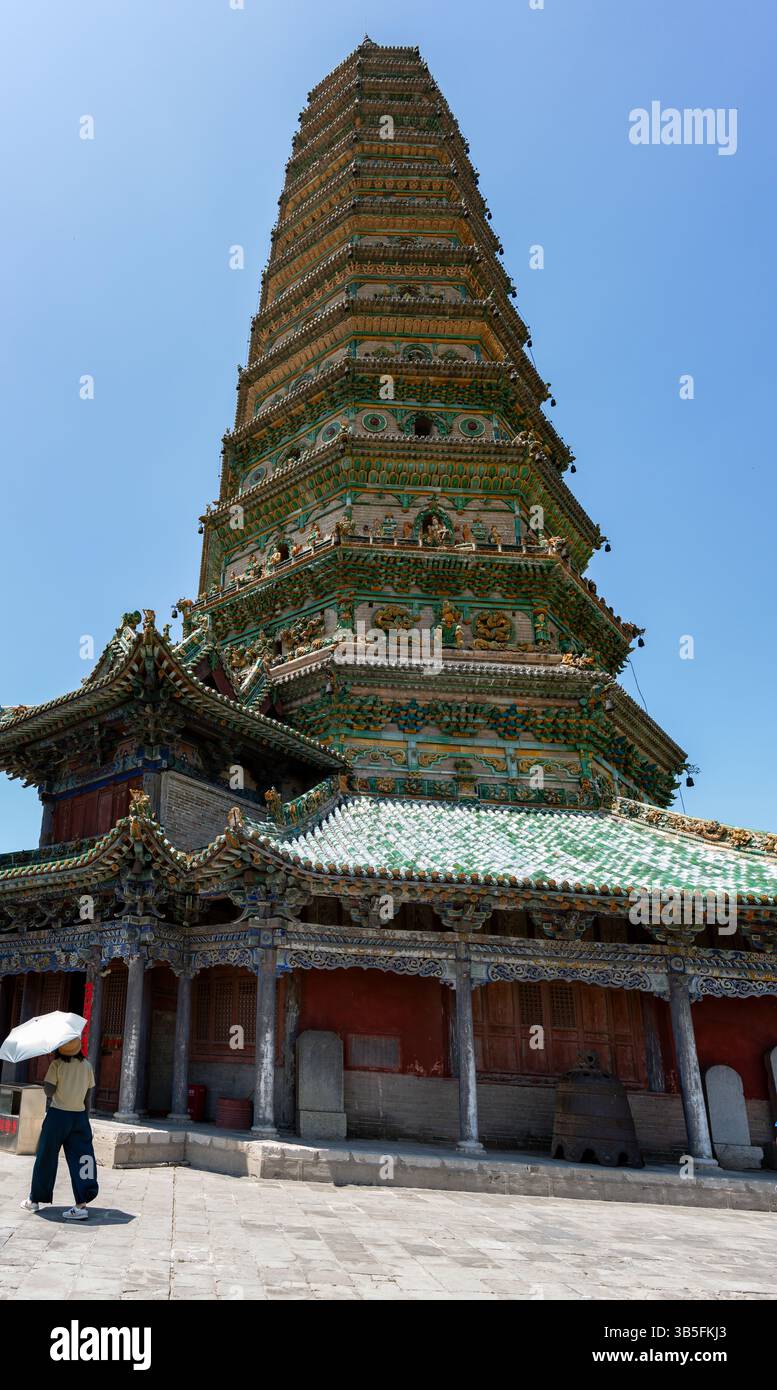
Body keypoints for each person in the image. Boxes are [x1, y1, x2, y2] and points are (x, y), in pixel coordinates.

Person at [20, 1035, 99, 1220]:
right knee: (82, 1158)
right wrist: (84, 1118)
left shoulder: (56, 1065)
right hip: (79, 1116)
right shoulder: (87, 1066)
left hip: (57, 1116)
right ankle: (81, 1204)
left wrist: (48, 1077)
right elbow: (88, 1095)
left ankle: (35, 1200)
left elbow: (49, 1091)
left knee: (46, 1157)